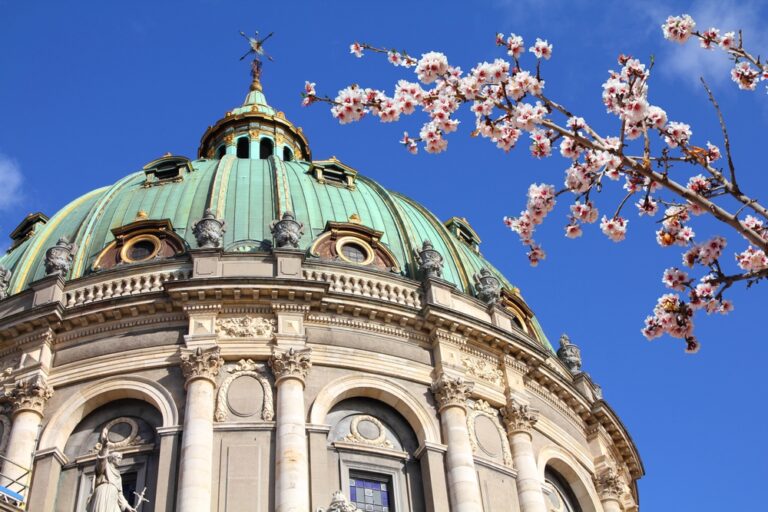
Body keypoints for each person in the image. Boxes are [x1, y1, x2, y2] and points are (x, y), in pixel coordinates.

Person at [85, 428, 136, 512]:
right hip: (103, 492)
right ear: (112, 458)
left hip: (114, 496)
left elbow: (120, 494)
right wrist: (104, 447)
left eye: (120, 458)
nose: (120, 460)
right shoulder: (105, 466)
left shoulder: (118, 475)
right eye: (118, 458)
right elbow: (101, 461)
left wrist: (127, 506)